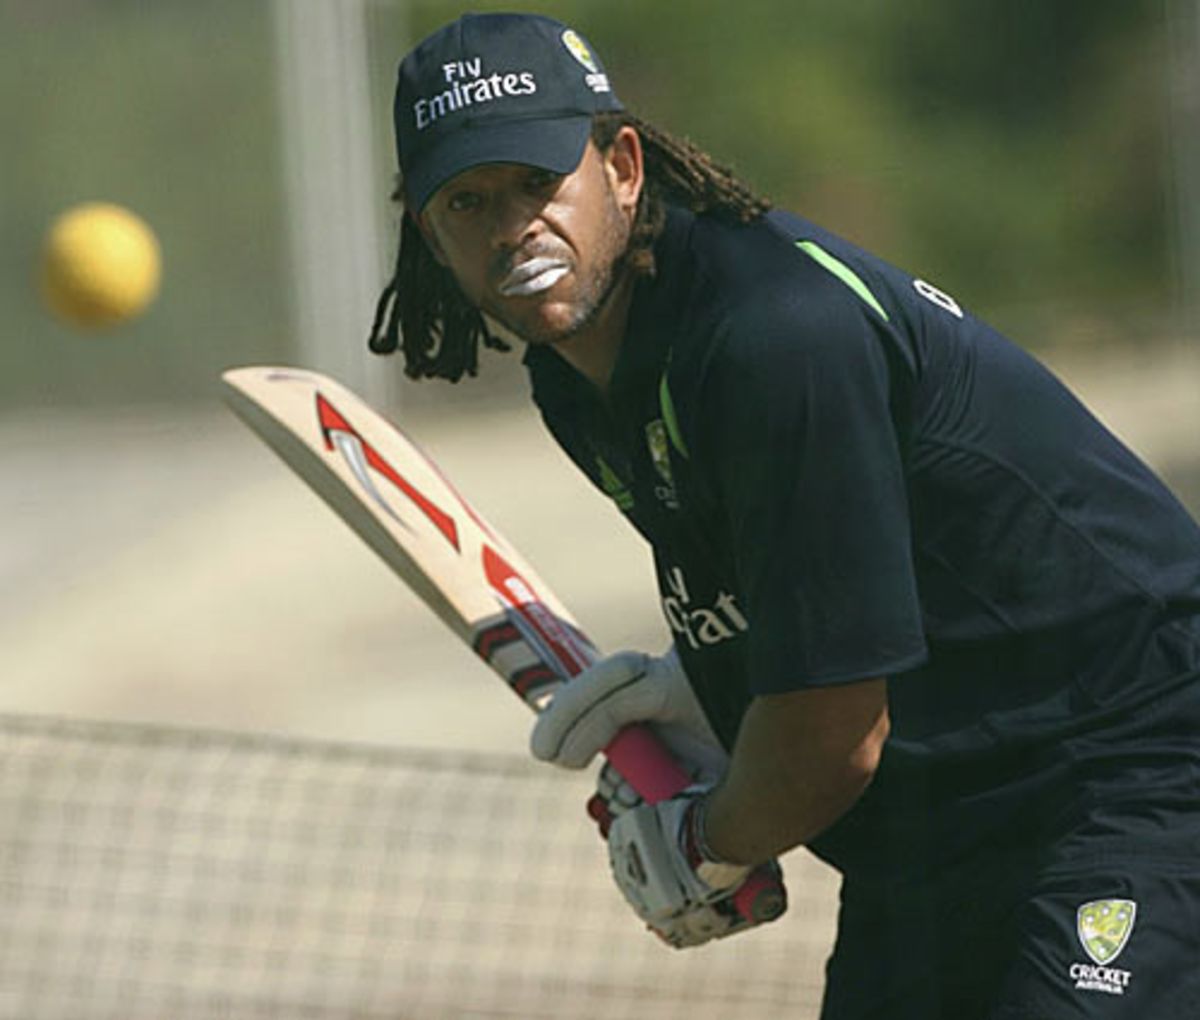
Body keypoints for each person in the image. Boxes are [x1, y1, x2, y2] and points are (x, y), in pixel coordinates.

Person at [369, 12, 1200, 1018]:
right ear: (429, 232)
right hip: (937, 829)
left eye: (540, 183)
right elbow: (804, 595)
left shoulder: (774, 337)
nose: (514, 227)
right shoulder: (577, 377)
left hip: (1129, 780)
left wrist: (708, 846)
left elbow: (834, 731)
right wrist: (712, 698)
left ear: (623, 167)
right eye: (471, 201)